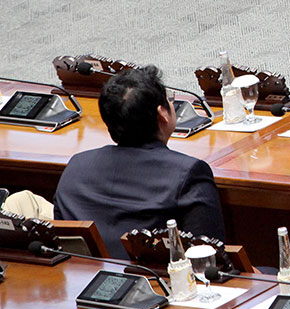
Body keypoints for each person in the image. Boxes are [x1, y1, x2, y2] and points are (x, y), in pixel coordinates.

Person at [54, 65, 226, 258]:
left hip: (87, 281)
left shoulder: (77, 166)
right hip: (157, 283)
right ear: (162, 114)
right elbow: (208, 255)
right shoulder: (189, 173)